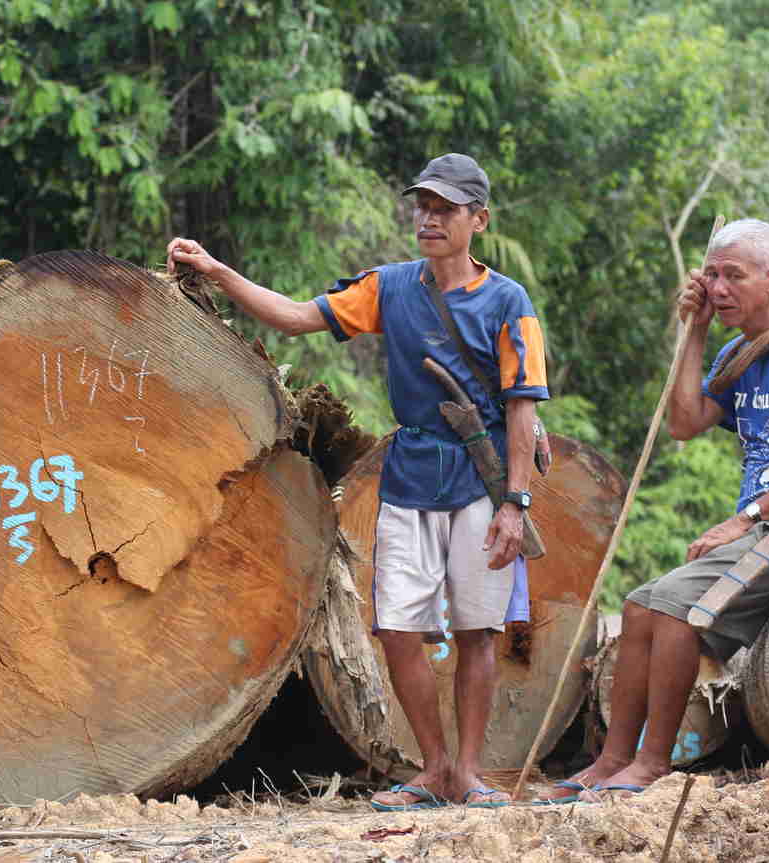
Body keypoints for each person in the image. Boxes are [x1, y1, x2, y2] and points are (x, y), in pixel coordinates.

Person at [169, 153, 549, 810]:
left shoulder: (510, 301)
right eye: (423, 206)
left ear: (477, 220)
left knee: (477, 630)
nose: (430, 219)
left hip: (481, 483)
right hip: (409, 476)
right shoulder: (391, 287)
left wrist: (515, 503)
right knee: (398, 627)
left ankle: (469, 772)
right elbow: (294, 315)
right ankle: (433, 768)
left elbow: (522, 407)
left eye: (446, 209)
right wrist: (217, 271)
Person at [540, 218, 769, 804]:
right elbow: (685, 424)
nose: (718, 287)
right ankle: (611, 761)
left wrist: (744, 519)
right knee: (640, 606)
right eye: (711, 274)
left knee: (676, 613)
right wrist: (692, 332)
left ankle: (651, 765)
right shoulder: (738, 352)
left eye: (733, 276)